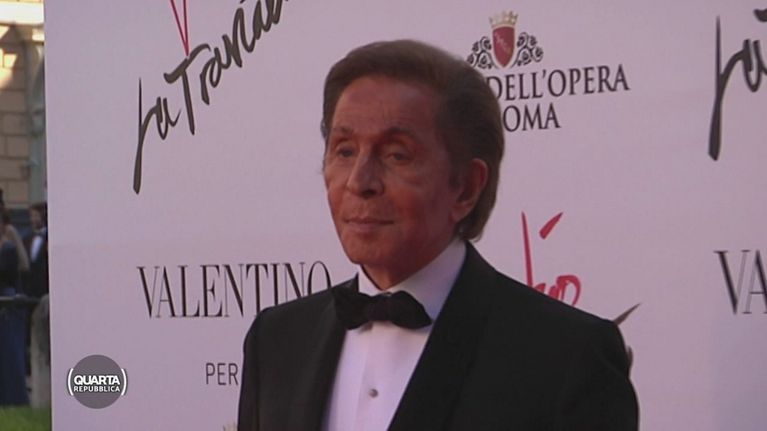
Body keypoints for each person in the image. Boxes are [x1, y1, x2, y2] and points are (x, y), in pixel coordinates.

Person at [238, 40, 638, 431]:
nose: (359, 181)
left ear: (465, 187)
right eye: (344, 151)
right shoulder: (275, 340)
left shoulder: (567, 358)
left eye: (397, 154)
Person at [23, 202, 48, 298]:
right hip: (30, 285)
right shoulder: (27, 238)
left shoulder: (49, 237)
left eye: (36, 216)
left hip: (44, 283)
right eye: (31, 216)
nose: (33, 219)